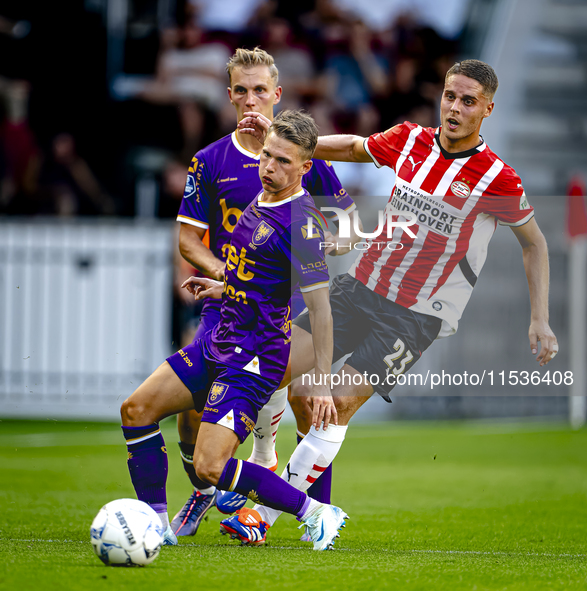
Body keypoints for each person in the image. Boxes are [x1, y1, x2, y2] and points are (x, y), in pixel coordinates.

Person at [230, 58, 559, 541]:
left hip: (414, 316)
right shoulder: (411, 139)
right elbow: (357, 148)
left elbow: (535, 243)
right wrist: (291, 147)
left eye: (468, 101)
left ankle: (266, 515)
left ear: (487, 109)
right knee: (275, 371)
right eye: (450, 96)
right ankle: (277, 470)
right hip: (359, 288)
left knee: (334, 403)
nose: (454, 107)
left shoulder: (497, 179)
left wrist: (540, 320)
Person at [121, 109, 349, 551]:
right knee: (136, 410)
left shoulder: (302, 224)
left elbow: (321, 313)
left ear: (306, 167)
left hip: (253, 359)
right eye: (267, 156)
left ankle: (317, 512)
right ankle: (155, 527)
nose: (270, 167)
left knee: (209, 466)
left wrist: (319, 382)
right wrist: (222, 284)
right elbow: (256, 272)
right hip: (220, 339)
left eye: (284, 161)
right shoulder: (262, 197)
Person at [170, 47, 357, 537]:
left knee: (303, 397)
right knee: (192, 407)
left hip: (286, 306)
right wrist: (226, 275)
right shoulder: (210, 160)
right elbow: (190, 238)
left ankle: (309, 508)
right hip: (227, 305)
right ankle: (208, 487)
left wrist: (325, 242)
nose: (251, 99)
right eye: (241, 90)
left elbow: (347, 223)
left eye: (260, 90)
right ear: (228, 95)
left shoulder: (302, 157)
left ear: (276, 93)